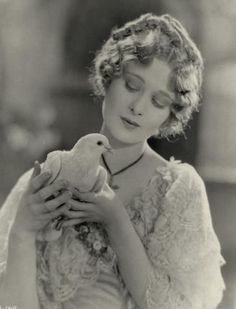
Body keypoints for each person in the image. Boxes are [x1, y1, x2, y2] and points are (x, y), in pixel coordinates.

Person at [0, 13, 225, 309]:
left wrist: (117, 221)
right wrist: (23, 230)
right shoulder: (45, 177)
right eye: (132, 85)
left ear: (168, 118)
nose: (138, 107)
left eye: (158, 102)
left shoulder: (176, 191)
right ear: (109, 77)